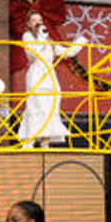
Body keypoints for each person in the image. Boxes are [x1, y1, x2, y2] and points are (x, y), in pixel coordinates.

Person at [16, 8, 85, 146]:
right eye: (34, 20)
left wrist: (80, 42)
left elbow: (65, 52)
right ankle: (28, 143)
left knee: (50, 106)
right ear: (29, 24)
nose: (38, 23)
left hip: (49, 75)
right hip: (37, 74)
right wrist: (42, 37)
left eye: (40, 20)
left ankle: (45, 143)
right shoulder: (28, 36)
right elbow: (33, 53)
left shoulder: (47, 40)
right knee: (36, 106)